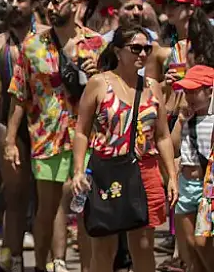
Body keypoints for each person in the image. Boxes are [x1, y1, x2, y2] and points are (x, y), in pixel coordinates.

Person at [7, 0, 104, 272]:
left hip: (87, 136)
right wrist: (10, 140)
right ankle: (42, 265)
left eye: (57, 1)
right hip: (46, 138)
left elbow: (110, 91)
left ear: (75, 5)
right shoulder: (32, 45)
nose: (50, 7)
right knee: (47, 209)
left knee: (86, 209)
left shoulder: (96, 44)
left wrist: (96, 73)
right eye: (47, 1)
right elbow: (18, 95)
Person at [71, 26, 178, 272]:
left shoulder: (152, 86)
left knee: (143, 247)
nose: (142, 54)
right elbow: (81, 131)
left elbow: (162, 136)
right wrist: (78, 170)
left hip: (145, 171)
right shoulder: (99, 83)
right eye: (136, 48)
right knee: (104, 249)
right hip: (106, 172)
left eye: (147, 49)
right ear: (118, 51)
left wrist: (171, 176)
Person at [0, 0, 41, 272]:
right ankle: (11, 258)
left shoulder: (48, 35)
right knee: (14, 196)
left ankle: (48, 261)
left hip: (46, 125)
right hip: (8, 124)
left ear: (34, 3)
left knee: (46, 198)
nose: (14, 5)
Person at [171, 65, 214, 272]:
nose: (189, 96)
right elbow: (173, 147)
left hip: (208, 188)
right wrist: (180, 122)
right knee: (189, 247)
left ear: (210, 91)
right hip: (186, 185)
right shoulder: (186, 118)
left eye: (195, 91)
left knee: (203, 244)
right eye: (186, 91)